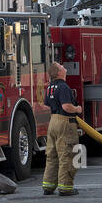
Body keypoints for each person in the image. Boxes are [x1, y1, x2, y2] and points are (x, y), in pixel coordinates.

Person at [42, 62, 83, 196]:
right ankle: (66, 188)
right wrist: (77, 109)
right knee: (68, 154)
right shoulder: (63, 87)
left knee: (52, 155)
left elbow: (47, 104)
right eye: (62, 67)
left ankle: (48, 186)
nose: (64, 68)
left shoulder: (50, 87)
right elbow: (66, 106)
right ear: (59, 73)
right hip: (65, 122)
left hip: (53, 121)